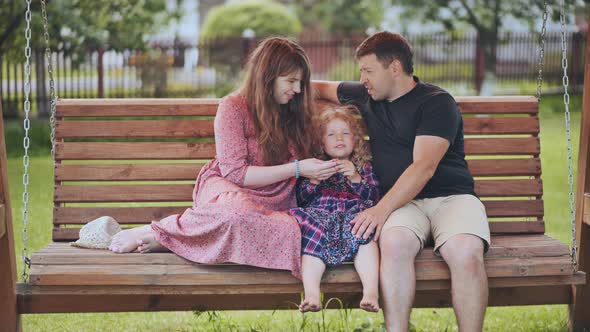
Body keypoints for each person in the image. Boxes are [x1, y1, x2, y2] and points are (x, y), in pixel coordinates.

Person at [108, 37, 340, 278]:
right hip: (229, 187)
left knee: (288, 230)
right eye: (291, 81)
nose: (298, 90)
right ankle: (160, 232)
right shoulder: (233, 107)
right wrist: (297, 169)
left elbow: (344, 95)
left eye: (301, 82)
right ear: (267, 76)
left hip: (277, 195)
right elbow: (237, 174)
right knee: (233, 215)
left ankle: (173, 241)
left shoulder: (294, 107)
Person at [313, 31, 490, 332]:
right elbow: (317, 87)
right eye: (361, 72)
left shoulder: (436, 103)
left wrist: (380, 210)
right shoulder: (365, 96)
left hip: (452, 198)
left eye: (368, 70)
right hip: (403, 205)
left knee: (465, 251)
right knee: (393, 246)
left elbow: (423, 167)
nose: (363, 78)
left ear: (394, 68)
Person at [291, 105, 381, 313]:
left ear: (355, 140)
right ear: (321, 142)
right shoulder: (314, 165)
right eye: (331, 134)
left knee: (366, 238)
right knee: (311, 242)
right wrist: (313, 181)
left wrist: (356, 178)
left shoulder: (363, 166)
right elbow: (300, 199)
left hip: (353, 218)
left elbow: (374, 197)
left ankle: (370, 292)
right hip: (320, 218)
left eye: (346, 133)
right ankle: (312, 294)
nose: (339, 138)